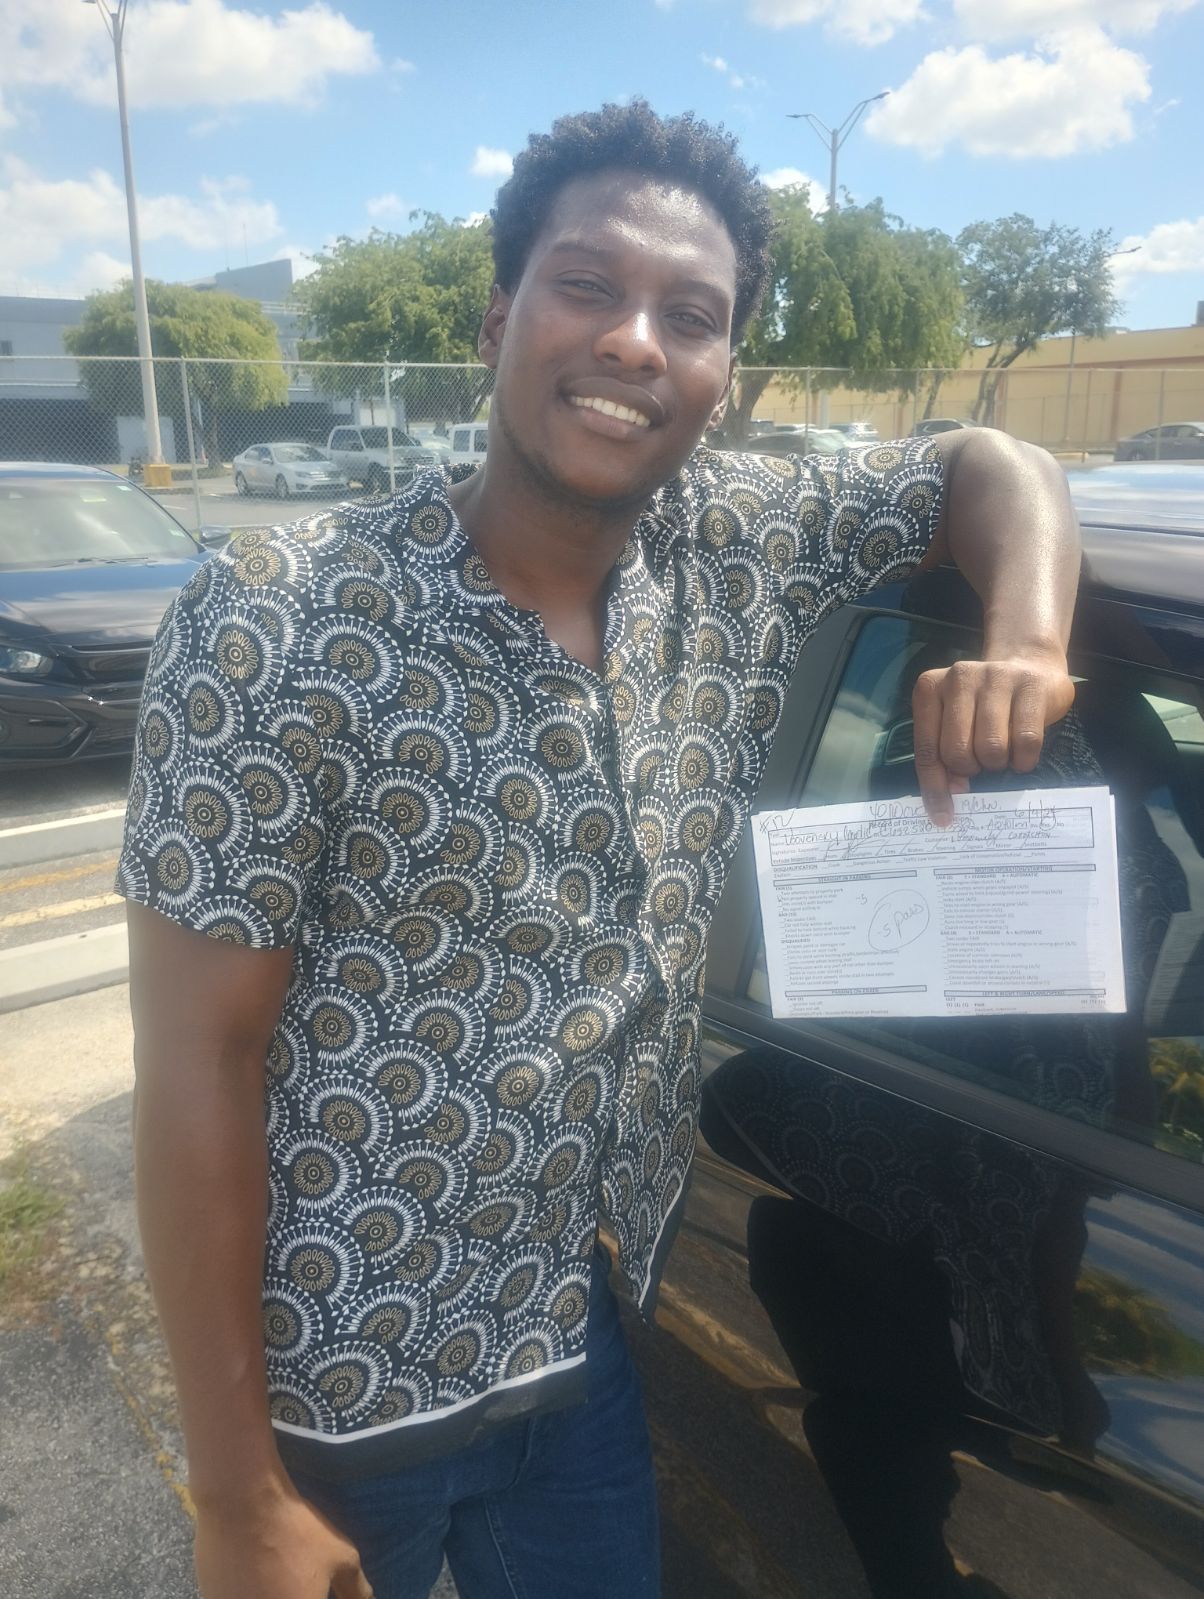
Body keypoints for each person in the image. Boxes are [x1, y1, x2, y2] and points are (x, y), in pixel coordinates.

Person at [117, 101, 1079, 1599]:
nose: (637, 340)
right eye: (588, 286)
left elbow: (992, 463)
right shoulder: (279, 616)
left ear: (723, 372)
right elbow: (195, 1063)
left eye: (688, 315)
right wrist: (235, 1490)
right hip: (337, 1389)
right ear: (501, 314)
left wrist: (1023, 641)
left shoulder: (735, 545)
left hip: (580, 1340)